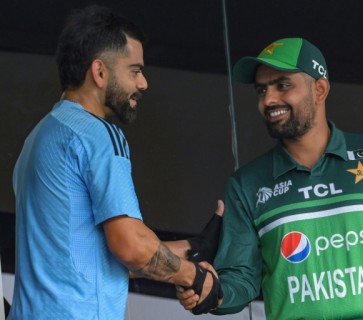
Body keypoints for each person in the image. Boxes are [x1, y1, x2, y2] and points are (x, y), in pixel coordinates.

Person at [177, 38, 363, 319]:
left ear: (319, 89)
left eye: (283, 85)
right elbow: (241, 280)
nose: (268, 100)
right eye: (262, 90)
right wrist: (213, 290)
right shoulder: (246, 184)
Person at [8, 5, 222, 319]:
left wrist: (193, 246)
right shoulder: (97, 134)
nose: (143, 83)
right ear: (99, 72)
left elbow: (89, 260)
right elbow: (130, 248)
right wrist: (195, 277)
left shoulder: (38, 139)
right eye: (134, 70)